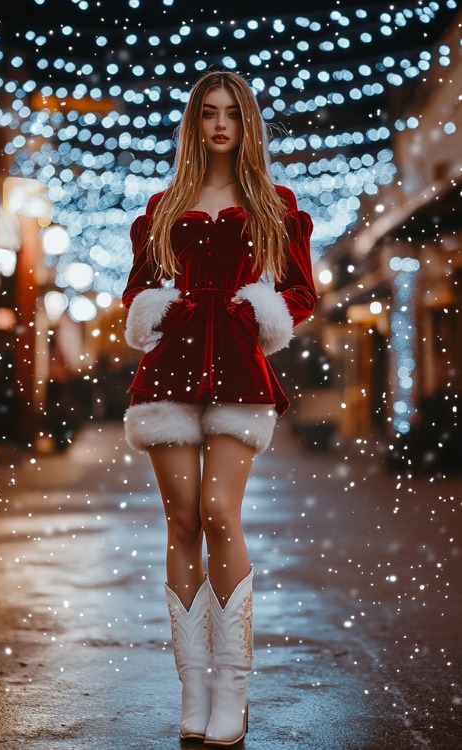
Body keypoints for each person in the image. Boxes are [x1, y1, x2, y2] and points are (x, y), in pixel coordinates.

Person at [122, 70, 316, 746]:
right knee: (179, 520)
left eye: (232, 113)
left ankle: (232, 684)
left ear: (248, 123)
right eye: (208, 113)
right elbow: (137, 290)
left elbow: (301, 294)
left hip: (239, 371)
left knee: (217, 512)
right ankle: (194, 684)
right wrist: (159, 309)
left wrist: (253, 310)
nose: (220, 125)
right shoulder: (163, 207)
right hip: (169, 371)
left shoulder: (275, 205)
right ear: (194, 124)